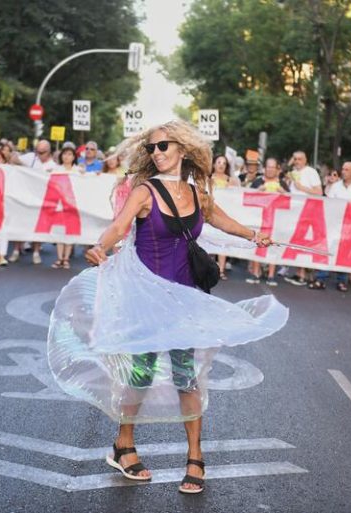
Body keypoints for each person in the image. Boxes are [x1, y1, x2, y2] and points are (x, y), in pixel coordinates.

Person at [58, 119, 285, 495]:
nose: (157, 153)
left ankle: (195, 457)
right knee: (142, 375)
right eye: (151, 148)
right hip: (147, 301)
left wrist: (254, 235)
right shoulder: (144, 192)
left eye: (163, 146)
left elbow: (221, 220)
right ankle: (123, 445)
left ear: (183, 149)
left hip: (185, 301)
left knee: (187, 375)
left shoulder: (198, 195)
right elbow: (118, 227)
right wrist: (101, 245)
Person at [310, 161, 351, 292]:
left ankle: (342, 281)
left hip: (350, 225)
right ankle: (320, 278)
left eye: (347, 170)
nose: (344, 171)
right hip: (334, 223)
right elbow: (329, 204)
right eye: (343, 169)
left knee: (344, 252)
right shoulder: (335, 187)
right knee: (327, 248)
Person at [246, 158, 288, 286]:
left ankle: (271, 275)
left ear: (277, 169)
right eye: (268, 167)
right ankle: (255, 273)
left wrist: (284, 193)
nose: (270, 169)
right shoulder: (258, 182)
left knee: (274, 247)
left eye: (273, 167)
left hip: (276, 221)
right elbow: (249, 198)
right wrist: (258, 191)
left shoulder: (282, 184)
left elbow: (291, 203)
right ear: (265, 168)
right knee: (257, 244)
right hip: (259, 220)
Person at [283, 151, 322, 287]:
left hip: (308, 212)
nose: (297, 161)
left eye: (300, 159)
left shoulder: (311, 172)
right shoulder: (293, 172)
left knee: (303, 243)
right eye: (295, 159)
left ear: (305, 160)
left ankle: (303, 275)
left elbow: (319, 192)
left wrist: (302, 188)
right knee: (295, 242)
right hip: (295, 212)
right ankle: (298, 271)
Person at [50, 146, 82, 270]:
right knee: (59, 232)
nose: (66, 156)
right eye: (64, 154)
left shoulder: (78, 171)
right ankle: (59, 258)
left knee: (70, 232)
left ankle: (66, 258)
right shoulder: (56, 170)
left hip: (73, 206)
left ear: (74, 157)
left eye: (69, 154)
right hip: (59, 206)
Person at [209, 154, 240, 280]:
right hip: (211, 213)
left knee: (222, 242)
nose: (221, 165)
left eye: (224, 163)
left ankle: (221, 270)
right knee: (209, 240)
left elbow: (236, 196)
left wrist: (230, 189)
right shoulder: (208, 178)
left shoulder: (231, 180)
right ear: (214, 164)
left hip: (225, 214)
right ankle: (209, 268)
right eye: (219, 162)